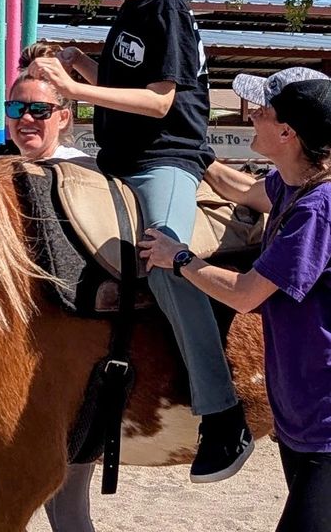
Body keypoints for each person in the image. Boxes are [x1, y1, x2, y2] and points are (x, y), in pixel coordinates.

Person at [28, 0, 253, 483]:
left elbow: (160, 100)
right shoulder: (127, 13)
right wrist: (81, 60)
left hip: (166, 160)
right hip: (120, 163)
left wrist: (74, 92)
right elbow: (128, 84)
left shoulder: (166, 9)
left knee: (162, 258)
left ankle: (222, 414)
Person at [140, 67, 331, 532]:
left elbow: (246, 295)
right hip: (302, 410)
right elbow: (241, 188)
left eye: (262, 112)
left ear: (286, 132)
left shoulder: (318, 209)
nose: (251, 117)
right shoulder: (291, 183)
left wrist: (179, 257)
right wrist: (192, 145)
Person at [6, 44, 95, 532]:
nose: (26, 119)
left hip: (79, 361)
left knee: (65, 498)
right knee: (65, 507)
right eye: (17, 109)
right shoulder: (12, 173)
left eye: (39, 109)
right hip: (34, 357)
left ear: (64, 116)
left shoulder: (82, 174)